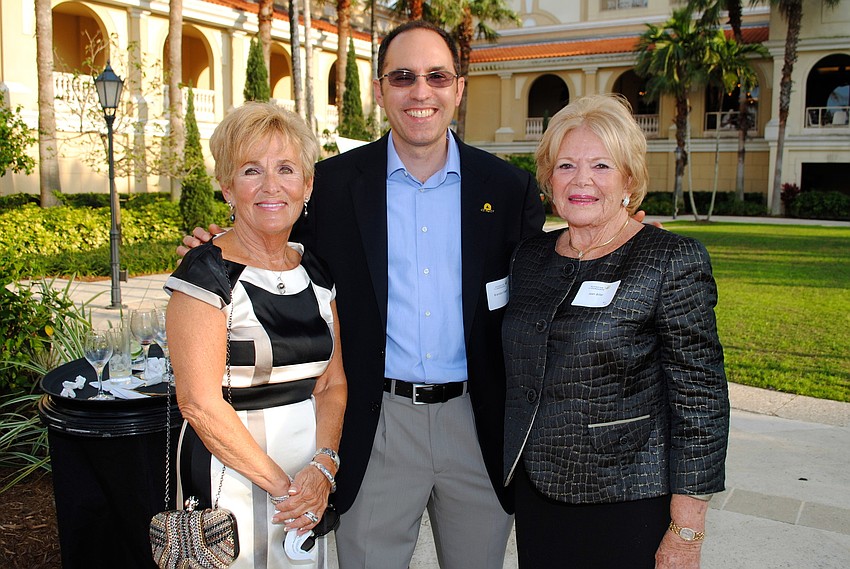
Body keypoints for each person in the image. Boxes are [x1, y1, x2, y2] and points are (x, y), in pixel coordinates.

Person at [180, 20, 545, 568]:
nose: (420, 92)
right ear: (379, 90)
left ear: (458, 87)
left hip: (477, 422)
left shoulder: (508, 189)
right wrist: (216, 245)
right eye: (402, 77)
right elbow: (268, 244)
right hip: (376, 424)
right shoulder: (329, 187)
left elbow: (549, 280)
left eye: (436, 76)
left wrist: (621, 238)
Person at [501, 93, 730, 569]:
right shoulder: (530, 259)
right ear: (548, 178)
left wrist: (687, 529)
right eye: (566, 166)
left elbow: (700, 398)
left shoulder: (669, 260)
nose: (582, 180)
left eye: (602, 166)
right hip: (539, 492)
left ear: (629, 178)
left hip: (629, 496)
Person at [165, 102, 347, 569]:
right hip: (231, 482)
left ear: (306, 186)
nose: (271, 186)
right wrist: (287, 490)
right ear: (227, 187)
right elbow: (199, 403)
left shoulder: (316, 273)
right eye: (251, 170)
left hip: (309, 480)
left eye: (286, 169)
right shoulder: (206, 273)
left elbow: (332, 384)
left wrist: (323, 468)